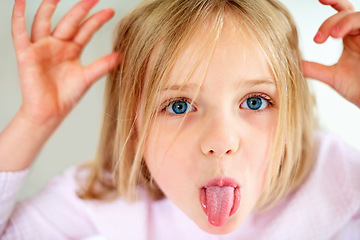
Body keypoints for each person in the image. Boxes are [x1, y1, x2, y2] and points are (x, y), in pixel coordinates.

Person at [0, 0, 359, 239]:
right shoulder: (102, 199)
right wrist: (36, 120)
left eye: (254, 101)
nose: (221, 140)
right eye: (179, 106)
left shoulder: (336, 177)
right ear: (134, 122)